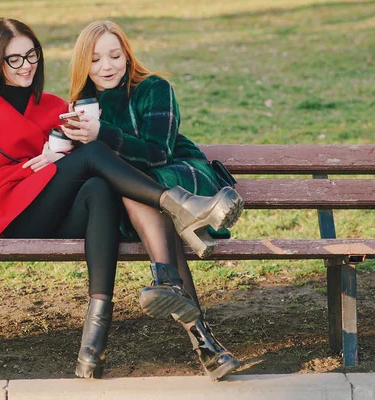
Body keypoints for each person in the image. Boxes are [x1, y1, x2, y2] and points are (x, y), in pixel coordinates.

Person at [0, 17, 241, 380]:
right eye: (14, 59)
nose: (26, 65)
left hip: (63, 214)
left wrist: (65, 155)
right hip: (13, 218)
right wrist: (33, 168)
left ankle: (95, 348)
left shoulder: (56, 106)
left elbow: (86, 166)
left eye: (31, 55)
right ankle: (179, 203)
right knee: (92, 156)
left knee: (102, 185)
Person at [63, 20, 243, 380]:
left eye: (115, 56)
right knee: (138, 193)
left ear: (127, 56)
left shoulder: (155, 89)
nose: (107, 66)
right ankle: (202, 337)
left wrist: (103, 135)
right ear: (84, 65)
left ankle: (171, 281)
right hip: (139, 207)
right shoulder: (83, 107)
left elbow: (159, 153)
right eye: (96, 60)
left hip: (180, 178)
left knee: (144, 185)